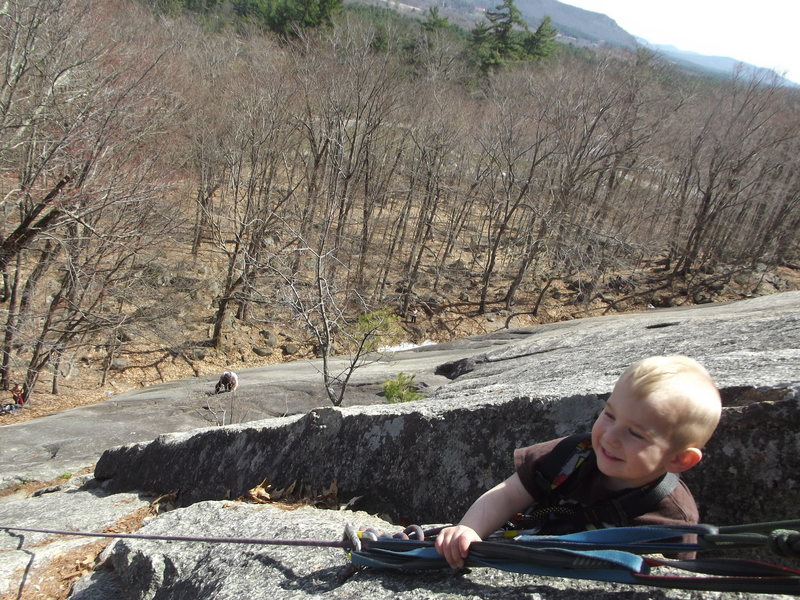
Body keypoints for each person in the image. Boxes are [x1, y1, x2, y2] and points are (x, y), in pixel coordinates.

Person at [435, 355, 722, 568]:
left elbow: (673, 579)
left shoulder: (672, 521)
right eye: (609, 414)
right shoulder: (576, 453)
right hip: (519, 548)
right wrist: (470, 529)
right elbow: (509, 494)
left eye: (635, 433)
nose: (610, 436)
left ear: (680, 459)